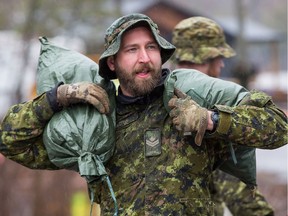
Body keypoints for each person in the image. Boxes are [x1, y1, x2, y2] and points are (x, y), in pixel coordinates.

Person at [0, 13, 287, 215]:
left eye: (151, 47)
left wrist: (211, 120)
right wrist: (55, 98)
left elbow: (278, 128)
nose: (144, 58)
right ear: (112, 62)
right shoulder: (96, 123)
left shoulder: (187, 99)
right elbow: (11, 143)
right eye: (132, 50)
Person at [171, 16, 274, 215]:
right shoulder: (212, 110)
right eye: (220, 57)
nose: (222, 65)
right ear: (207, 57)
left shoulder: (150, 95)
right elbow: (244, 201)